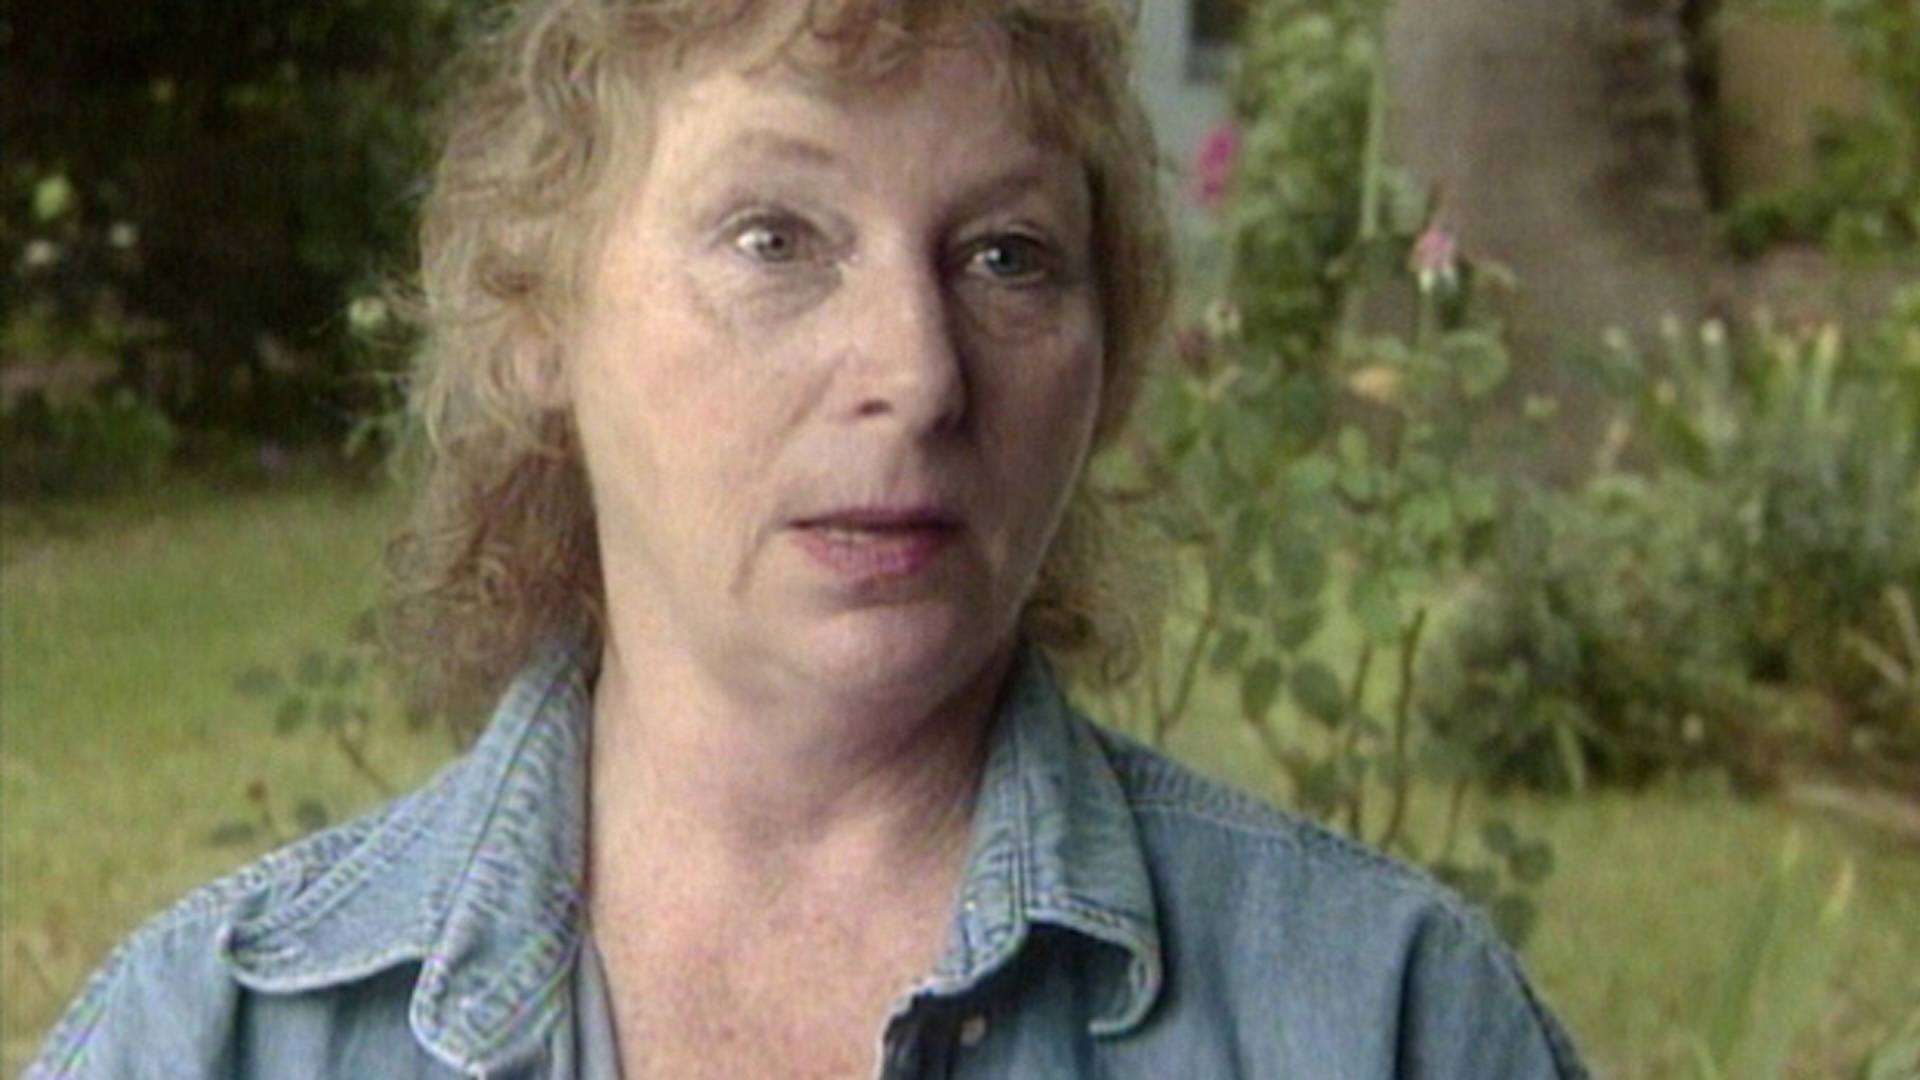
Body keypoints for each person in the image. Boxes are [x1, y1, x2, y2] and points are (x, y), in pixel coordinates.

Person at [27, 1, 1590, 1077]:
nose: (917, 371)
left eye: (1007, 256)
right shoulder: (218, 1039)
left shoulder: (1382, 1020)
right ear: (533, 315)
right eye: (775, 239)